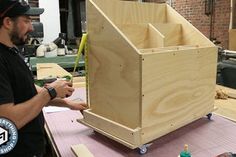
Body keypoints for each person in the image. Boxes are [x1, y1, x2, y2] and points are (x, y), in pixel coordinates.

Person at [0, 0, 87, 156]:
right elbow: (7, 121)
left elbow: (29, 90)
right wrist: (51, 91)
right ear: (7, 22)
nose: (32, 28)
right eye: (26, 21)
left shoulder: (12, 52)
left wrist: (66, 103)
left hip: (33, 146)